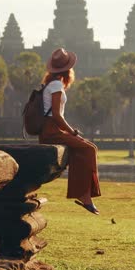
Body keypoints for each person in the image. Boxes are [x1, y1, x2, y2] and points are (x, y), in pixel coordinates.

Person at [39, 47, 101, 215]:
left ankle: (85, 195)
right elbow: (57, 116)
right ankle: (84, 196)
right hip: (52, 131)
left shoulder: (51, 83)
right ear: (68, 69)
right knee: (88, 149)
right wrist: (72, 131)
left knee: (89, 148)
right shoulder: (57, 85)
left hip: (53, 130)